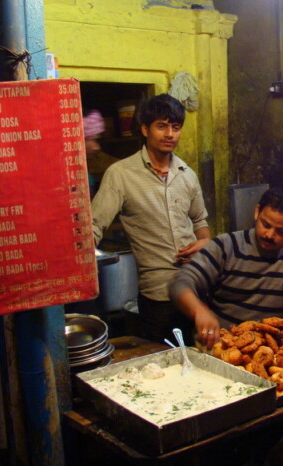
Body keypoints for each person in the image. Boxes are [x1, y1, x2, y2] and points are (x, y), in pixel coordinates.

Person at [91, 94, 210, 345]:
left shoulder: (187, 174)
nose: (170, 134)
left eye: (175, 127)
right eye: (161, 126)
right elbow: (93, 225)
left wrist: (204, 243)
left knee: (202, 362)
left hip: (197, 288)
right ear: (145, 129)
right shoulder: (121, 174)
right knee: (163, 367)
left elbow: (200, 222)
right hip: (158, 296)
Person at [169, 186, 283, 350]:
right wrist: (199, 312)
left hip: (273, 349)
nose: (269, 235)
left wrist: (282, 327)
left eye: (281, 231)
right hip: (220, 345)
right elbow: (181, 283)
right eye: (266, 224)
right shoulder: (227, 245)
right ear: (257, 212)